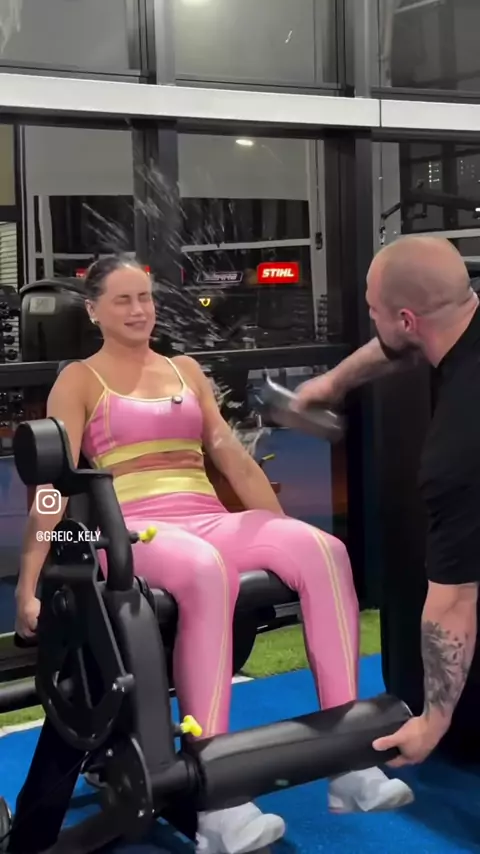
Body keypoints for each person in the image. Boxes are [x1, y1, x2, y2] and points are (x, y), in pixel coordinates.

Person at [15, 255, 413, 854]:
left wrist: (282, 537)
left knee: (324, 550)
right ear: (93, 310)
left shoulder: (185, 371)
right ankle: (218, 802)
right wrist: (31, 582)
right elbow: (51, 488)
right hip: (134, 530)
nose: (139, 310)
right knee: (205, 569)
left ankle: (350, 762)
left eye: (145, 297)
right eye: (123, 300)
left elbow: (234, 461)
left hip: (205, 516)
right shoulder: (79, 380)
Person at [295, 235, 480, 770]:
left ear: (406, 319)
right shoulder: (460, 314)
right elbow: (396, 345)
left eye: (374, 311)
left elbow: (454, 601)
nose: (372, 320)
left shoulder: (460, 441)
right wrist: (333, 382)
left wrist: (432, 721)